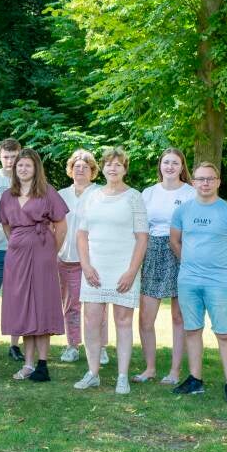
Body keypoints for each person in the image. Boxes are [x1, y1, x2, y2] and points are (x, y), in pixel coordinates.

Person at [170, 162, 227, 405]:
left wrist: (225, 268)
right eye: (200, 179)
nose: (205, 183)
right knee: (192, 330)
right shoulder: (182, 211)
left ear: (218, 182)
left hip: (218, 282)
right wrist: (189, 264)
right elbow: (174, 241)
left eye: (210, 179)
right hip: (188, 280)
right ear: (193, 182)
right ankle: (195, 380)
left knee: (223, 332)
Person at [74, 147, 147, 395]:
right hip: (95, 268)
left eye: (118, 164)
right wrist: (86, 265)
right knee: (91, 321)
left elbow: (142, 238)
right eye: (108, 164)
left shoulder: (134, 197)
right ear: (103, 168)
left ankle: (122, 376)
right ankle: (93, 373)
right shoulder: (92, 197)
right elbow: (81, 235)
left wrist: (132, 271)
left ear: (125, 169)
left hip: (124, 268)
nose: (112, 168)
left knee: (123, 322)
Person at [0, 149, 68, 382]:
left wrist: (50, 251)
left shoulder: (47, 192)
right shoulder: (7, 196)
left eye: (28, 165)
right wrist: (18, 243)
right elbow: (6, 225)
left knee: (42, 304)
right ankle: (28, 364)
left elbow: (61, 226)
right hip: (16, 256)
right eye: (20, 165)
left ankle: (42, 363)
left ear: (36, 168)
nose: (23, 169)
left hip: (42, 253)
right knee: (23, 306)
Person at [132, 148, 196, 385]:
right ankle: (150, 368)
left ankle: (175, 371)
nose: (170, 166)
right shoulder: (148, 193)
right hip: (152, 252)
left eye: (175, 163)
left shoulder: (190, 193)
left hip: (181, 251)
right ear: (160, 165)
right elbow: (138, 227)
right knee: (145, 319)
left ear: (182, 167)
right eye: (166, 162)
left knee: (179, 317)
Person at [57, 150, 109, 364]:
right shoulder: (61, 194)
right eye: (76, 166)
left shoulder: (100, 193)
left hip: (94, 259)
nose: (80, 170)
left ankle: (101, 347)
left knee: (97, 306)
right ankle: (72, 345)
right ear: (70, 170)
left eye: (85, 167)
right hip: (66, 258)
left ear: (92, 171)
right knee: (71, 305)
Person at [0, 138, 25, 362]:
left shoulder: (26, 179)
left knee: (16, 298)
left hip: (19, 248)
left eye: (13, 156)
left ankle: (14, 344)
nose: (10, 161)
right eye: (5, 157)